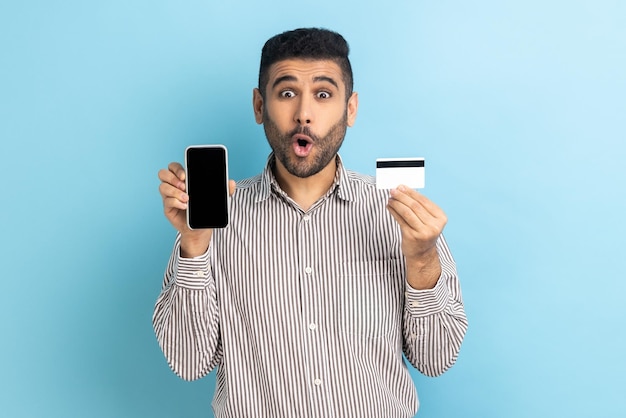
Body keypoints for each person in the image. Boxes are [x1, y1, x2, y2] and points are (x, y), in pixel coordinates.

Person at [154, 27, 468, 417]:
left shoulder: (397, 215)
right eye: (287, 93)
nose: (304, 113)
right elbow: (188, 362)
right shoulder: (215, 220)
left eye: (323, 94)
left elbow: (435, 358)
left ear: (350, 109)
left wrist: (421, 258)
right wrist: (194, 245)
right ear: (258, 106)